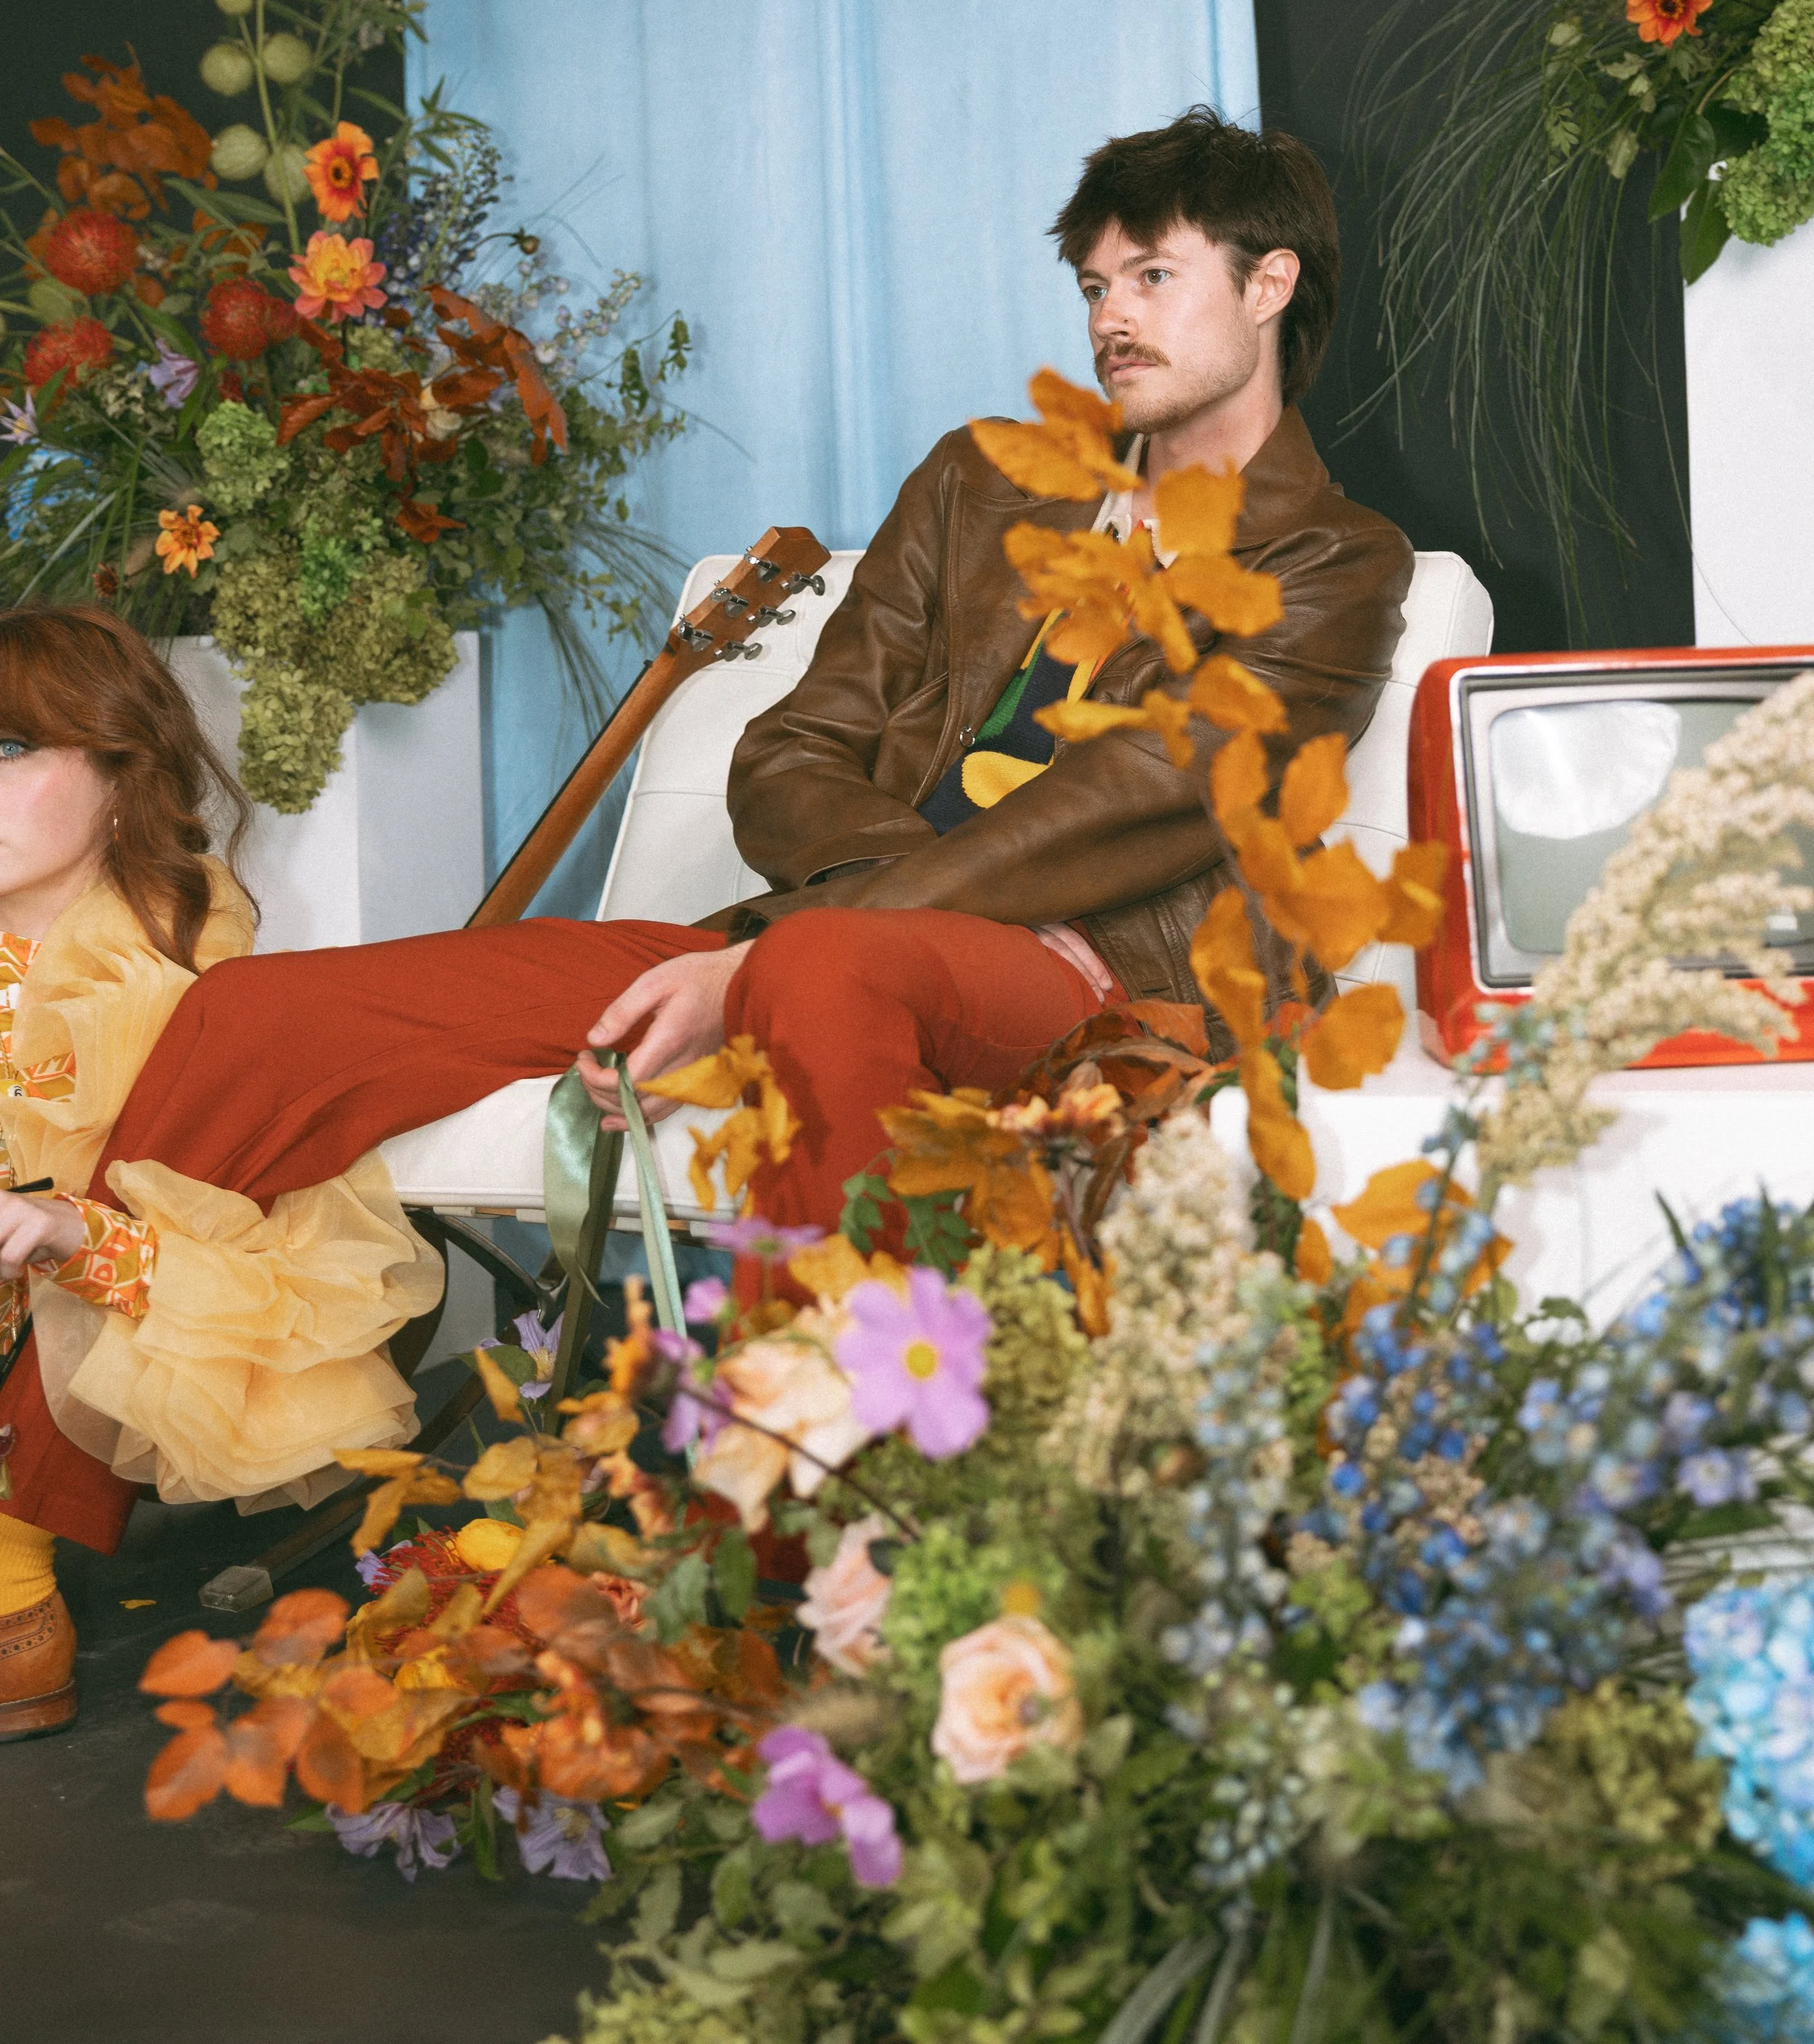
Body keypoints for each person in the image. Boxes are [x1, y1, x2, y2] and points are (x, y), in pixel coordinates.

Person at [59, 104, 1412, 1322]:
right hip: (828, 928)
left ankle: (837, 1508)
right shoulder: (981, 485)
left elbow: (1134, 807)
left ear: (1270, 282)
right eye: (1095, 284)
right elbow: (787, 754)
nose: (1111, 316)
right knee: (249, 1017)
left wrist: (783, 953)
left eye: (1154, 277)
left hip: (1101, 984)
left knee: (822, 970)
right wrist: (781, 943)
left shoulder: (1334, 561)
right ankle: (25, 1524)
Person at [0, 607, 442, 1740]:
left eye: (7, 750)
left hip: (89, 1347)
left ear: (118, 767)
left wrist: (59, 1228)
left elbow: (256, 1283)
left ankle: (9, 1574)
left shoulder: (192, 987)